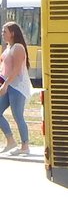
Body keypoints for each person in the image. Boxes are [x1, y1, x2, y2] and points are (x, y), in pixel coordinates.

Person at [0, 21, 33, 155]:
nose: (2, 34)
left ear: (12, 33)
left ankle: (25, 145)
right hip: (8, 84)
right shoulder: (8, 48)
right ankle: (10, 140)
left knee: (17, 115)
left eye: (5, 31)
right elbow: (4, 70)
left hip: (17, 87)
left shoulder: (18, 48)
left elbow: (16, 69)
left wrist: (5, 85)